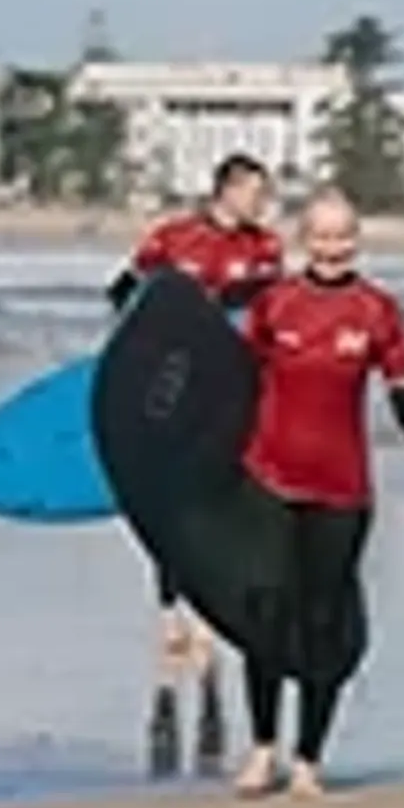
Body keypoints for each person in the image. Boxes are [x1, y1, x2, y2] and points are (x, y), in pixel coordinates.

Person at [222, 188, 404, 800]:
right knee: (264, 616)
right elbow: (231, 387)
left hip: (341, 491)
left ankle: (309, 759)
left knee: (321, 623)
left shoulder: (376, 312)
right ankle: (263, 749)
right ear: (302, 239)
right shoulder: (274, 305)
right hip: (269, 481)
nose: (333, 249)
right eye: (321, 236)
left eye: (343, 237)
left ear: (356, 240)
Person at [114, 156, 288, 776]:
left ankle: (209, 612)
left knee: (216, 497)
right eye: (255, 194)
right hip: (170, 387)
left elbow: (276, 314)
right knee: (167, 500)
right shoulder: (173, 240)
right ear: (227, 190)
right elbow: (124, 295)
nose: (262, 205)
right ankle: (171, 615)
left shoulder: (265, 248)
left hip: (230, 388)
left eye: (265, 196)